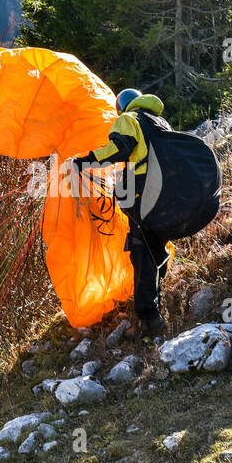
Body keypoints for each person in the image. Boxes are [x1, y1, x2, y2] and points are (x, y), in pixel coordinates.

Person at [70, 88, 173, 337]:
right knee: (155, 248)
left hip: (143, 195)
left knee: (142, 251)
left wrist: (84, 161)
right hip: (166, 195)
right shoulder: (159, 122)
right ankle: (155, 307)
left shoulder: (129, 119)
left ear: (121, 107)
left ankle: (150, 321)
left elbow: (118, 149)